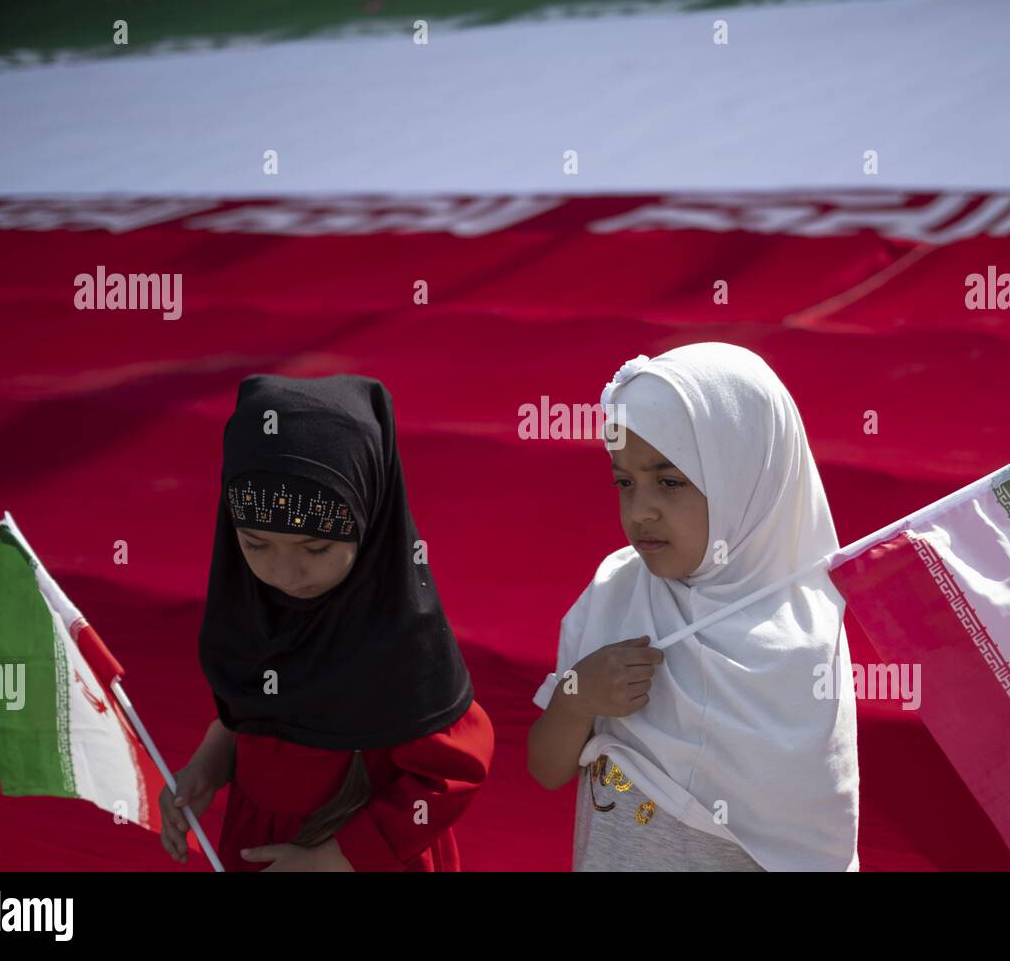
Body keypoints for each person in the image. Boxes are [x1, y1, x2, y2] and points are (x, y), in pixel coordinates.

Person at [527, 342, 860, 871]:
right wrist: (576, 697)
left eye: (669, 482)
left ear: (746, 479)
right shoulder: (616, 591)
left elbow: (815, 846)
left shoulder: (803, 639)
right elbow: (546, 768)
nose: (640, 512)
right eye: (624, 482)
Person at [159, 373, 493, 871]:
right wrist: (208, 766)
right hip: (262, 847)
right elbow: (249, 715)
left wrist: (337, 858)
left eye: (316, 548)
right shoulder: (250, 615)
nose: (286, 574)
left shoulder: (398, 641)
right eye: (255, 544)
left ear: (371, 519)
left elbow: (455, 772)